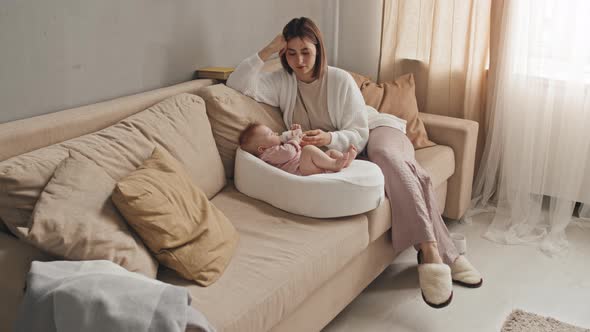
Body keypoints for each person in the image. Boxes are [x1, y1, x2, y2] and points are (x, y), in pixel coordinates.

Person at [227, 17, 483, 308]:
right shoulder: (281, 82)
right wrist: (271, 47)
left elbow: (360, 133)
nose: (299, 60)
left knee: (388, 158)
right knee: (410, 174)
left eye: (306, 52)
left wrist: (328, 139)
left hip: (375, 131)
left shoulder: (338, 79)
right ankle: (451, 254)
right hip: (342, 151)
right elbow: (237, 84)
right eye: (291, 53)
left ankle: (431, 252)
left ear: (319, 49)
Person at [239, 122, 357, 176]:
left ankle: (343, 161)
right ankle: (335, 164)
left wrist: (297, 133)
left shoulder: (277, 148)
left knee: (330, 152)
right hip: (301, 170)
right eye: (271, 134)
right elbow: (290, 152)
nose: (275, 132)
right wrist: (295, 140)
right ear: (262, 148)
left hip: (307, 165)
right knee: (308, 150)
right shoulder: (268, 154)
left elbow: (292, 147)